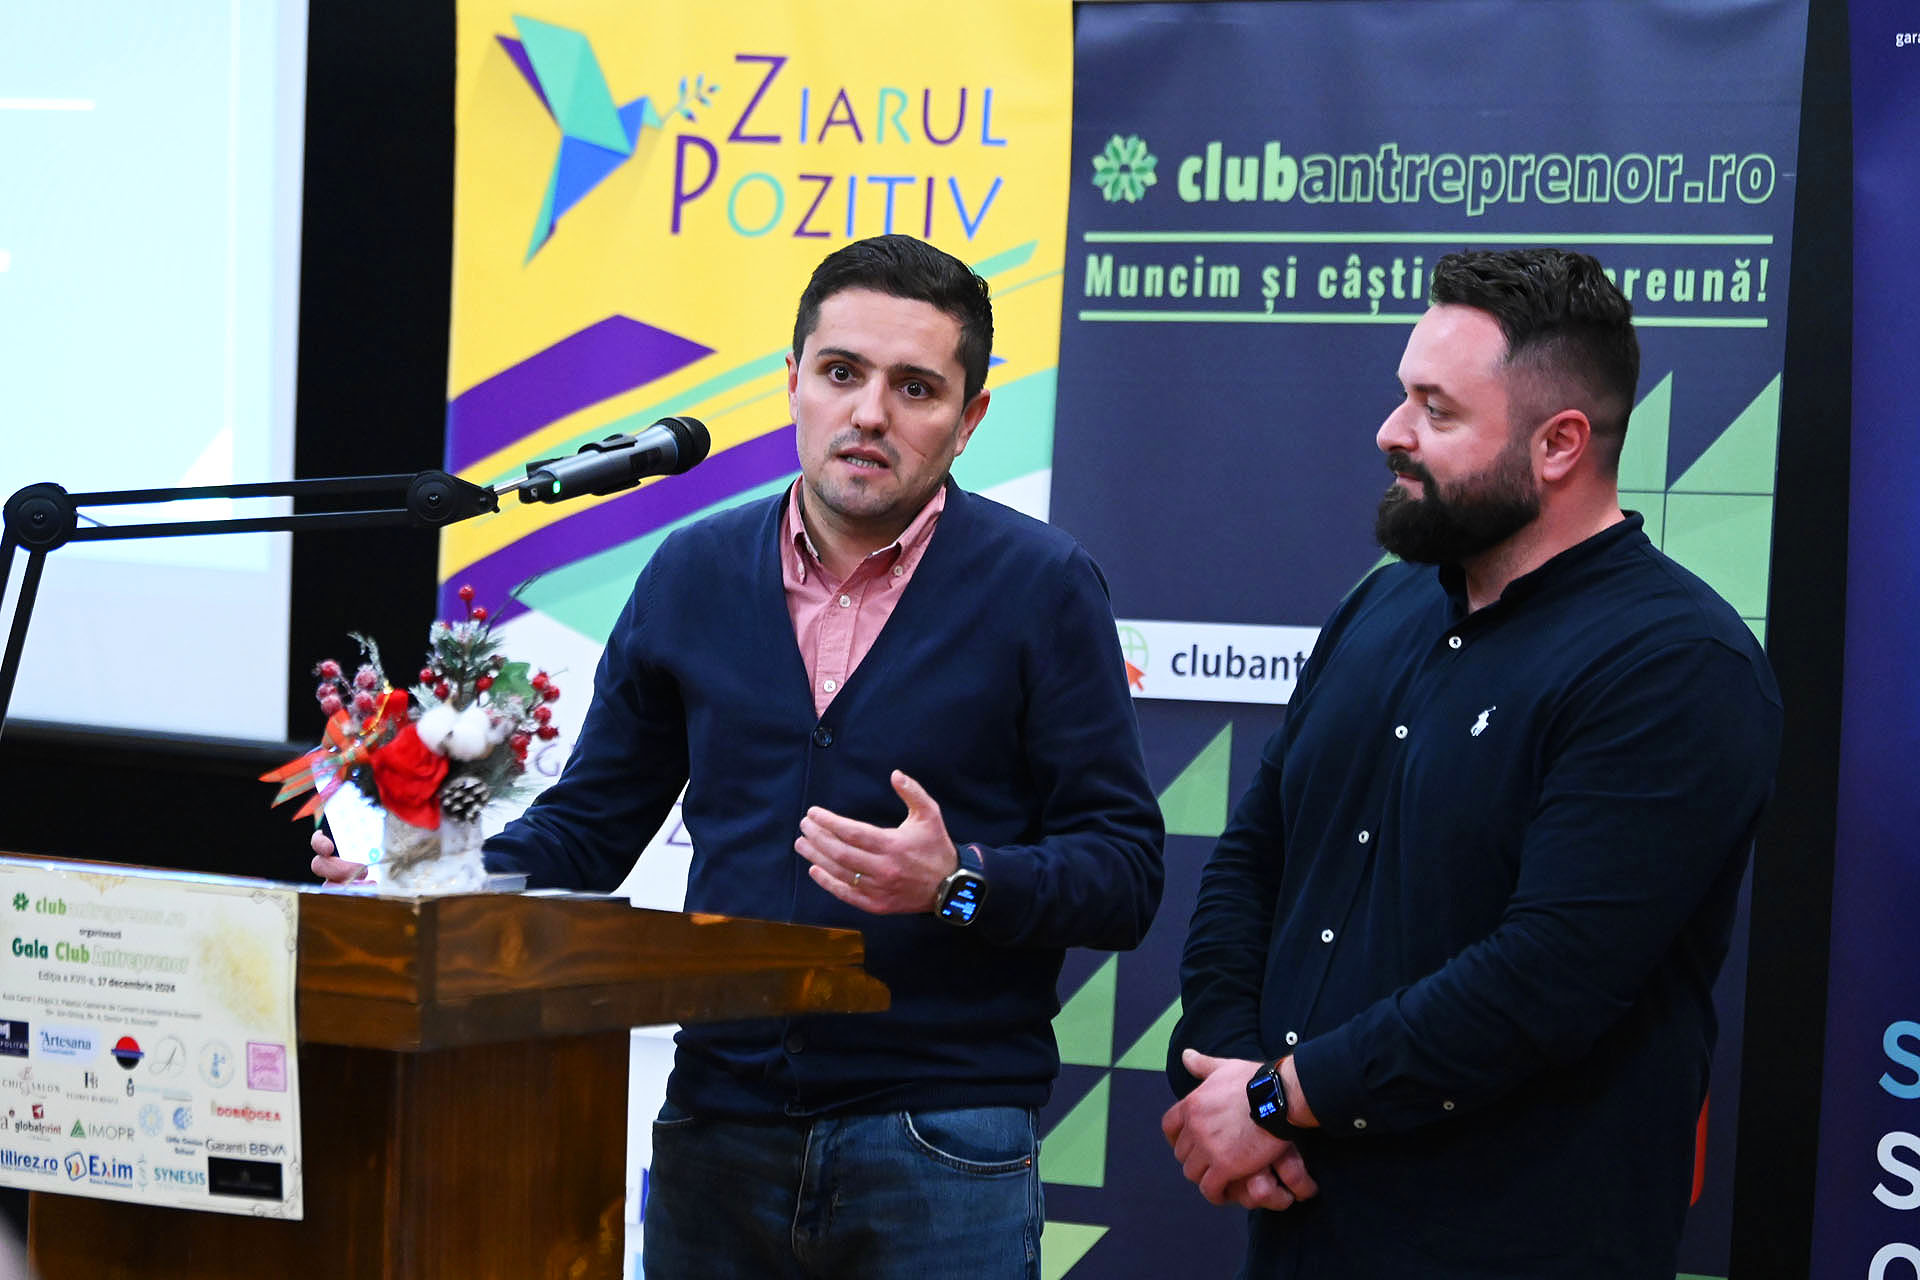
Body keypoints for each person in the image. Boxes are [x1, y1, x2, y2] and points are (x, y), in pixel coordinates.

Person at [313, 234, 1165, 1278]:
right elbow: (588, 828)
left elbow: (1125, 873)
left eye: (915, 388)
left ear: (970, 417)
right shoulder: (693, 571)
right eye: (841, 372)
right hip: (718, 1125)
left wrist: (957, 882)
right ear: (791, 380)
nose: (869, 413)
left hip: (941, 1133)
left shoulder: (1042, 585)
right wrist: (427, 877)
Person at [1159, 248, 1781, 1278]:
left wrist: (1275, 1097)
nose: (1391, 431)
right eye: (1404, 394)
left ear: (1559, 443)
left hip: (1513, 1239)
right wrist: (1229, 1068)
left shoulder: (1677, 666)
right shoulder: (1382, 602)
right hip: (1304, 1225)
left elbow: (1544, 978)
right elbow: (1257, 852)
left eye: (1436, 410)